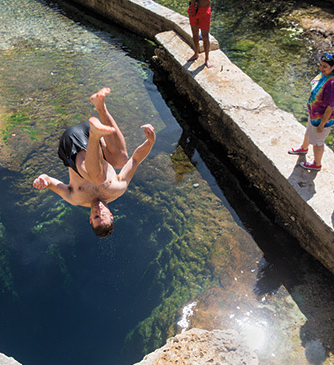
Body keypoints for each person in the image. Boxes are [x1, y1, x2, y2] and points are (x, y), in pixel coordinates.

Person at [33, 88, 156, 238]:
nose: (98, 211)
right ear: (110, 214)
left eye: (96, 217)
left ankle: (95, 135)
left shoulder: (75, 198)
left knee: (97, 178)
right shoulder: (118, 188)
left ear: (90, 220)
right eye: (102, 215)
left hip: (71, 145)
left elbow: (49, 181)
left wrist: (42, 181)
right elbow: (135, 160)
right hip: (91, 138)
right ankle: (100, 107)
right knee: (121, 159)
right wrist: (150, 142)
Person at [288, 52, 334, 171]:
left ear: (333, 67)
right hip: (315, 114)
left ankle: (317, 164)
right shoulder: (327, 74)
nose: (321, 68)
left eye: (324, 66)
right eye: (321, 65)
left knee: (318, 142)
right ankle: (304, 148)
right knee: (308, 131)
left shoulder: (332, 84)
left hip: (322, 118)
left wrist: (322, 124)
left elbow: (331, 106)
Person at [186, 0, 212, 68]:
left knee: (205, 36)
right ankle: (196, 53)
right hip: (193, 9)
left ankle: (207, 59)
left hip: (204, 11)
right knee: (195, 33)